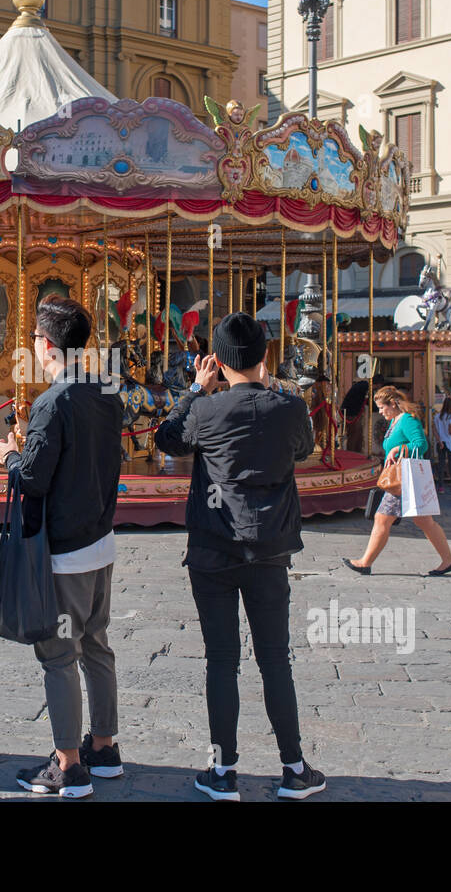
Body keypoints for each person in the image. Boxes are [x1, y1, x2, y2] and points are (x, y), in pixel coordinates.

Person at [154, 313, 326, 802]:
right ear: (264, 356)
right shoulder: (289, 408)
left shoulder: (207, 410)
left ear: (218, 362)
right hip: (270, 547)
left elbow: (167, 438)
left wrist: (195, 389)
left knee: (221, 660)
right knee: (276, 660)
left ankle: (223, 768)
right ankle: (293, 767)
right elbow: (305, 448)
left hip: (213, 545)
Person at [0, 295, 124, 800]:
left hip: (65, 552)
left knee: (59, 655)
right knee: (96, 645)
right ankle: (104, 746)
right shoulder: (105, 394)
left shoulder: (53, 402)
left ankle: (68, 763)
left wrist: (9, 454)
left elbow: (33, 479)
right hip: (100, 541)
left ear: (46, 345)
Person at [344, 385, 451, 577]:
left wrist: (398, 450)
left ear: (393, 404)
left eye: (382, 407)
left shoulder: (407, 420)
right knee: (425, 522)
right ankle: (448, 560)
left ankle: (365, 562)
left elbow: (421, 444)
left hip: (405, 479)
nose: (380, 412)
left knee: (382, 518)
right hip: (402, 477)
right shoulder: (395, 421)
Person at [433, 396, 451, 494]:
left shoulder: (437, 416)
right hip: (449, 442)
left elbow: (434, 430)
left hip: (440, 442)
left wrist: (439, 441)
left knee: (441, 464)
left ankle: (440, 487)